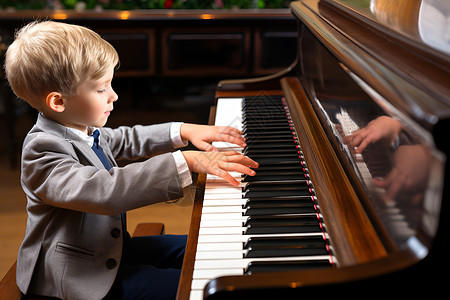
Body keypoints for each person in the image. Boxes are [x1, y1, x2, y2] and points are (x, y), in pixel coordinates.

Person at [4, 20, 258, 300]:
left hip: (105, 248)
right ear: (58, 102)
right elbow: (104, 191)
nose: (114, 95)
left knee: (212, 249)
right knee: (196, 288)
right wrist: (186, 162)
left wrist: (182, 130)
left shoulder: (80, 127)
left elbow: (126, 139)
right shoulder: (41, 150)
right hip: (78, 275)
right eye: (101, 89)